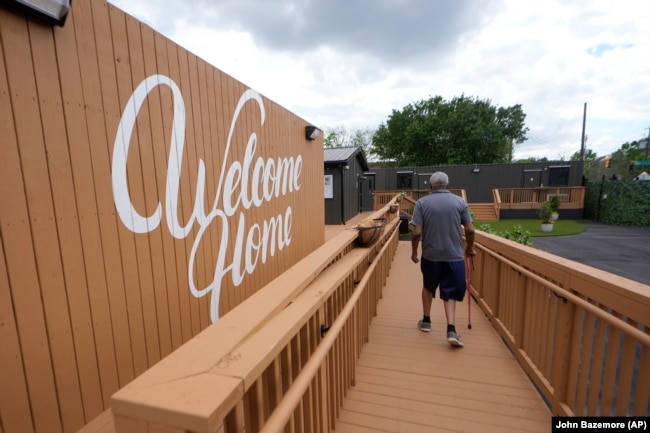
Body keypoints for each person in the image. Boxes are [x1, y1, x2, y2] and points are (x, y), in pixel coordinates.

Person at [409, 172, 476, 347]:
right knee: (450, 291)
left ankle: (426, 321)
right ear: (447, 185)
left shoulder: (422, 203)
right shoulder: (460, 202)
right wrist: (469, 248)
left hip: (431, 255)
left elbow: (416, 232)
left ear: (430, 186)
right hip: (454, 256)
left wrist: (414, 252)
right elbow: (470, 230)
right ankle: (451, 329)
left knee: (428, 286)